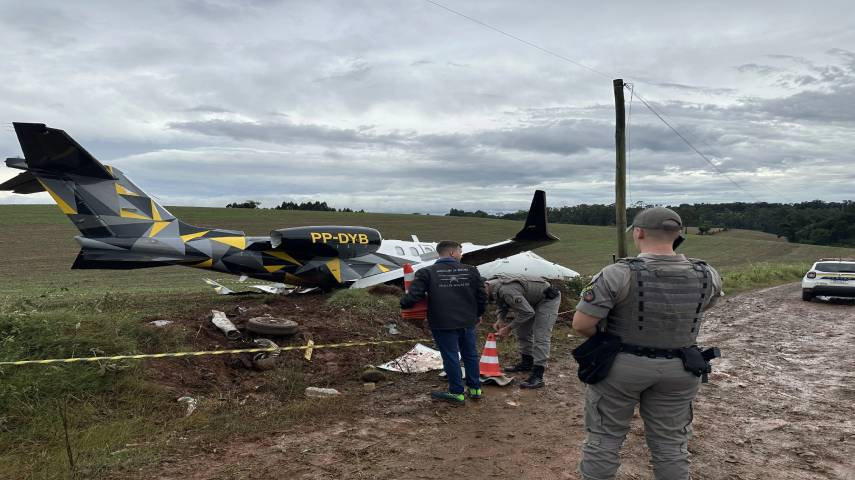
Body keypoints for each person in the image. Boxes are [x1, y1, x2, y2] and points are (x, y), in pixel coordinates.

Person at [572, 207, 723, 480]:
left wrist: (607, 339)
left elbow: (582, 324)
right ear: (678, 234)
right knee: (671, 445)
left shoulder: (617, 273)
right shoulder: (707, 273)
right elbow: (702, 307)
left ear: (639, 232)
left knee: (604, 438)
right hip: (681, 368)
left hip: (621, 366)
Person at [400, 240, 487, 406]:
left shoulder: (427, 272)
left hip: (442, 322)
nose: (461, 255)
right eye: (460, 252)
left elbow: (413, 296)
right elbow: (481, 296)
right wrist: (478, 314)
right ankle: (475, 389)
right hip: (467, 321)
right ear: (452, 253)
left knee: (450, 355)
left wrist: (403, 303)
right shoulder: (472, 270)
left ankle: (457, 393)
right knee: (470, 354)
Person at [485, 274, 561, 389]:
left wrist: (508, 328)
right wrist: (500, 319)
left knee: (541, 336)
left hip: (548, 299)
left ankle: (538, 375)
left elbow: (527, 312)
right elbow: (502, 303)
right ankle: (527, 363)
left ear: (484, 288)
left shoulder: (506, 290)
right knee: (523, 332)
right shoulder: (492, 286)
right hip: (529, 301)